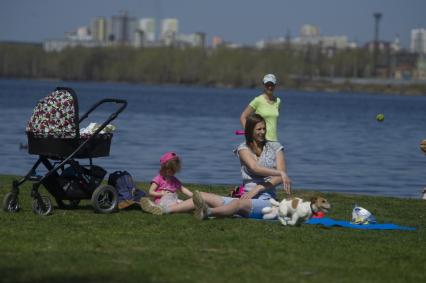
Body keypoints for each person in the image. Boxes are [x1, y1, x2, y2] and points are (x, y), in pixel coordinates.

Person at [192, 113, 291, 220]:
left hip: (266, 200)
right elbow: (255, 168)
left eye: (264, 128)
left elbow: (281, 176)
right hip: (245, 196)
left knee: (237, 203)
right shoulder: (243, 148)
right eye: (259, 129)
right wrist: (280, 172)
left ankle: (208, 212)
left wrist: (258, 188)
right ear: (250, 131)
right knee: (202, 196)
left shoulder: (275, 147)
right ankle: (172, 208)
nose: (262, 132)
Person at [240, 73, 281, 142]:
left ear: (275, 85)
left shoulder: (278, 101)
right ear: (264, 85)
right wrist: (248, 132)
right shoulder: (258, 100)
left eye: (272, 85)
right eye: (267, 85)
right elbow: (243, 117)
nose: (270, 87)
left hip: (274, 140)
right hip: (260, 140)